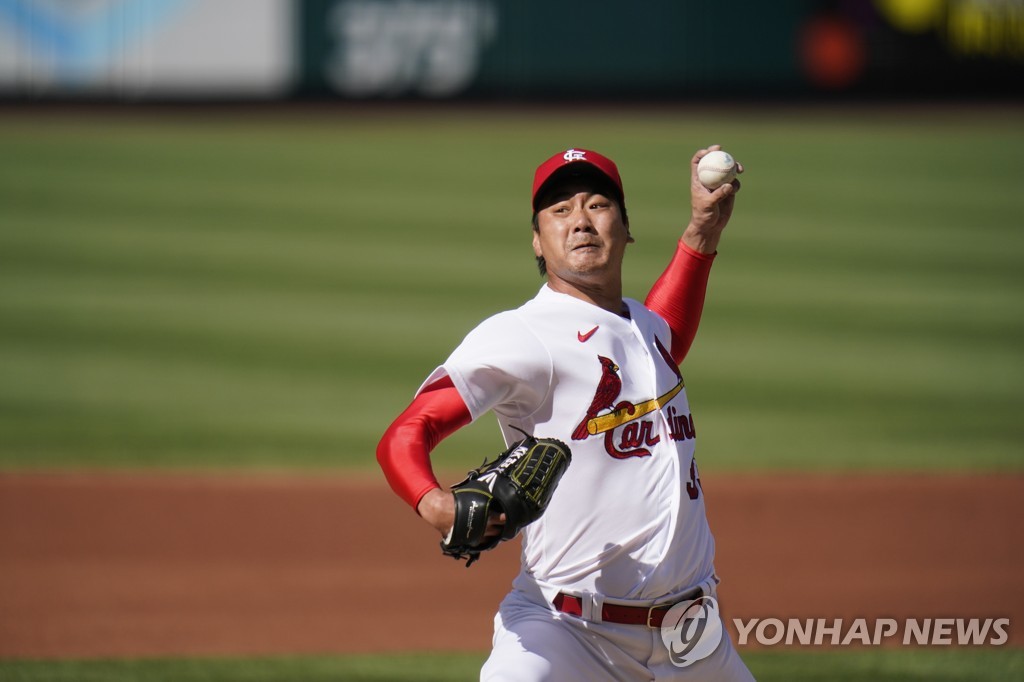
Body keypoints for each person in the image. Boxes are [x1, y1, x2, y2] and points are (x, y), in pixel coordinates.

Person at [377, 146, 754, 681]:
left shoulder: (645, 327)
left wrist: (702, 231)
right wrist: (434, 503)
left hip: (692, 640)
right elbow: (407, 431)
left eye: (598, 205)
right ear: (537, 239)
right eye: (559, 210)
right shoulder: (522, 333)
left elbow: (667, 330)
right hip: (565, 633)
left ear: (626, 230)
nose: (580, 220)